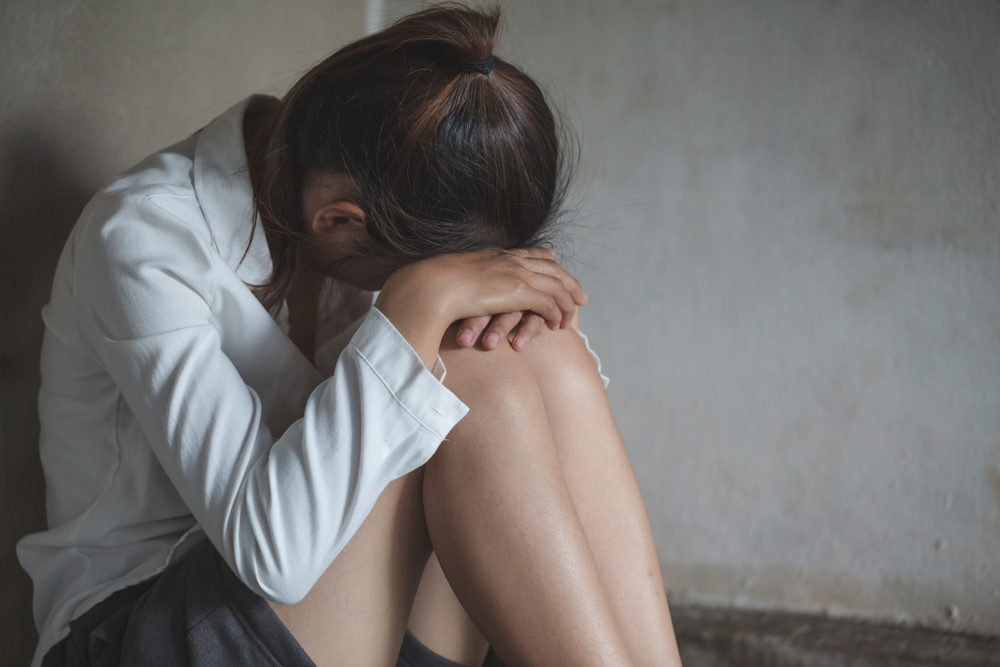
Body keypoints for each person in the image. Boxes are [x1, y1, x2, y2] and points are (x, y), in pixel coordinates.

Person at [18, 4, 682, 666]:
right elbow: (273, 553)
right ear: (339, 219)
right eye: (413, 267)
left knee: (529, 350)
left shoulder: (372, 176)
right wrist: (419, 302)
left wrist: (492, 302)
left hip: (329, 602)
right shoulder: (143, 238)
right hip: (142, 628)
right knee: (470, 371)